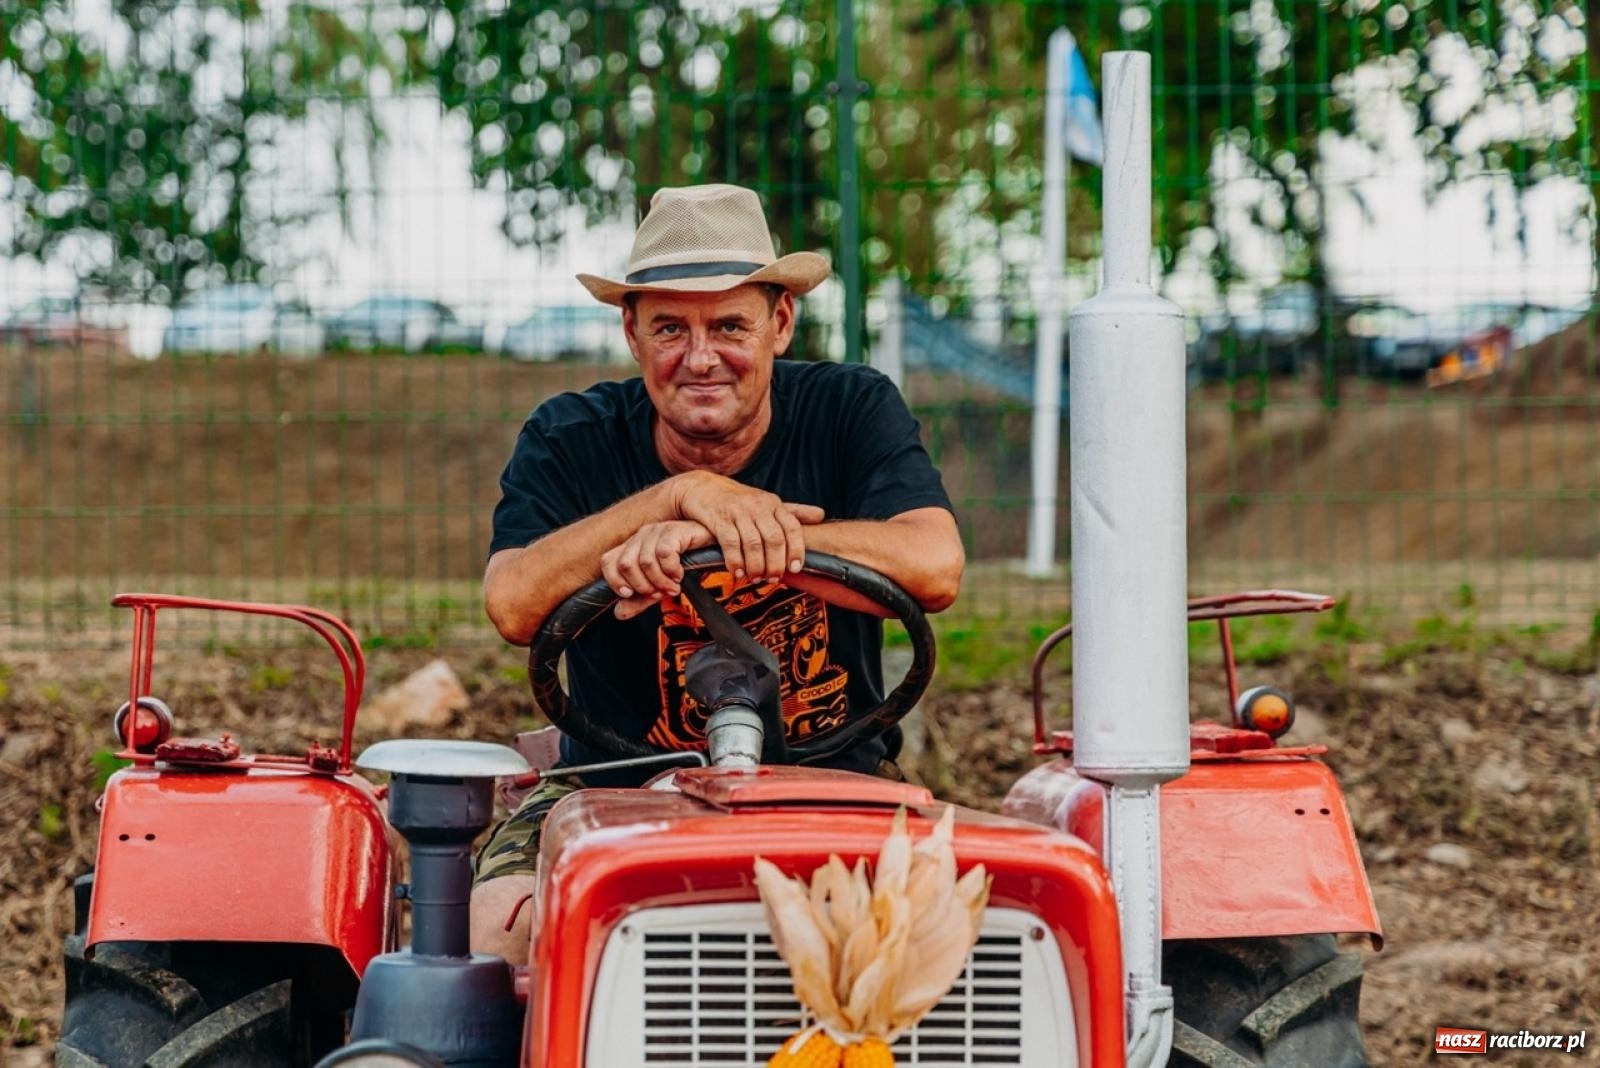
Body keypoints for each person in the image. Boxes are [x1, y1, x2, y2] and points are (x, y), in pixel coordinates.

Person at [471, 183, 965, 962]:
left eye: (729, 325)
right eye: (670, 327)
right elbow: (511, 603)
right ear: (631, 333)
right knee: (504, 929)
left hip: (835, 775)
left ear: (779, 323)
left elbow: (935, 565)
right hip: (610, 781)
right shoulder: (570, 437)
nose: (701, 357)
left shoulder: (851, 409)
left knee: (950, 932)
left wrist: (726, 534)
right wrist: (669, 498)